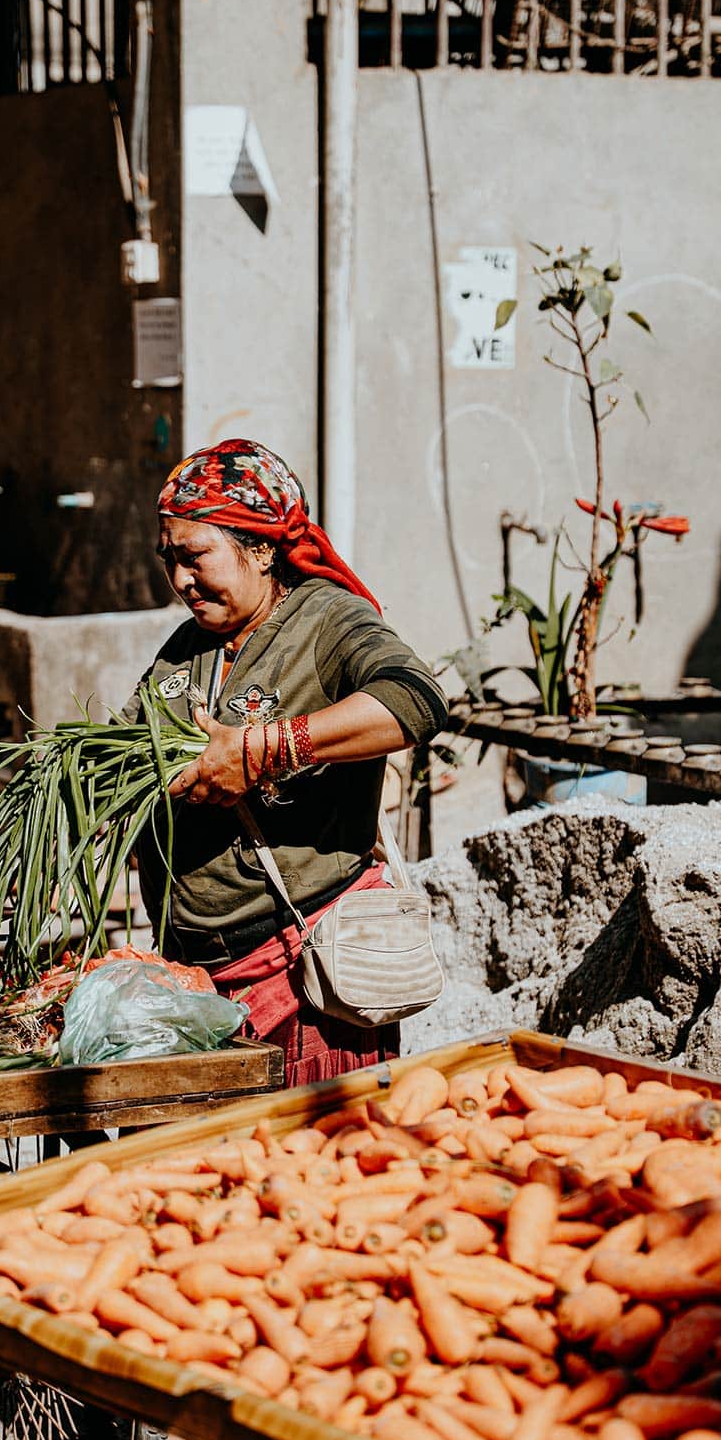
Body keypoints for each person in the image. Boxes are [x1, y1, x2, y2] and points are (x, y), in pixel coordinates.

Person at [130, 438, 447, 1090]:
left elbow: (414, 701)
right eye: (170, 560)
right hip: (198, 983)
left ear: (262, 549)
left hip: (301, 981)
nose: (181, 580)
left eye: (195, 557)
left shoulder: (328, 622)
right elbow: (128, 746)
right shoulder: (187, 647)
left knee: (312, 1166)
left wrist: (264, 751)